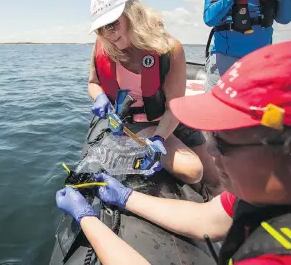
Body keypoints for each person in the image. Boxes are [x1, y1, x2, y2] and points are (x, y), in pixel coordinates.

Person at [56, 41, 291, 264]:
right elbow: (207, 219)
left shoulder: (272, 256)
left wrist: (87, 219)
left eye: (223, 143)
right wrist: (125, 197)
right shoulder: (259, 196)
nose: (209, 149)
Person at [88, 0, 220, 188]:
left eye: (112, 24)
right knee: (193, 171)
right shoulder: (102, 47)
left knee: (216, 179)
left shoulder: (171, 49)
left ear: (134, 14)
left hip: (170, 118)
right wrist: (99, 96)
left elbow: (175, 107)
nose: (108, 34)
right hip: (137, 122)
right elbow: (93, 83)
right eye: (101, 28)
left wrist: (160, 138)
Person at [203, 0, 291, 91]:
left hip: (261, 64)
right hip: (225, 64)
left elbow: (284, 19)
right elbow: (209, 18)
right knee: (219, 111)